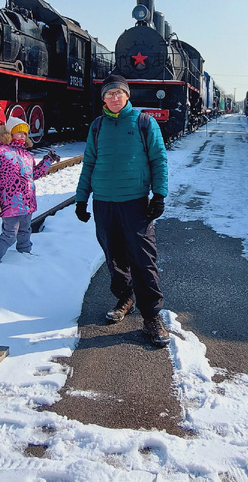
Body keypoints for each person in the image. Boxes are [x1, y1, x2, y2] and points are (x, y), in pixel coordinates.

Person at [74, 74, 171, 347]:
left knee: (143, 258)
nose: (114, 98)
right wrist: (82, 199)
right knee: (114, 255)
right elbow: (89, 164)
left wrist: (159, 195)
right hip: (103, 201)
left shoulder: (144, 122)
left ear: (127, 96)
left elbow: (159, 160)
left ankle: (152, 316)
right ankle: (125, 297)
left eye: (119, 93)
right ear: (103, 98)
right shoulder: (97, 126)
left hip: (135, 201)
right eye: (109, 94)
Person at [0, 116, 60, 263]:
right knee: (9, 234)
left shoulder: (27, 155)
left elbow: (33, 174)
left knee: (25, 231)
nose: (23, 136)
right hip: (9, 202)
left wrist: (47, 161)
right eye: (19, 132)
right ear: (9, 133)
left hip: (27, 202)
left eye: (25, 133)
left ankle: (24, 255)